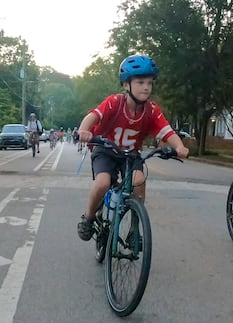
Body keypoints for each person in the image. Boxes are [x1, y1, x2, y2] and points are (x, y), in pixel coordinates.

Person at [77, 55, 189, 241]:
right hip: (106, 150)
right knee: (103, 182)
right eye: (140, 82)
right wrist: (83, 130)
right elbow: (93, 117)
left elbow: (167, 131)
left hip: (130, 155)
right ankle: (88, 218)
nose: (146, 87)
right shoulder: (114, 102)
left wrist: (179, 146)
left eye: (149, 83)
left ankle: (134, 230)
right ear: (127, 85)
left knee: (139, 181)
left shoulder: (152, 110)